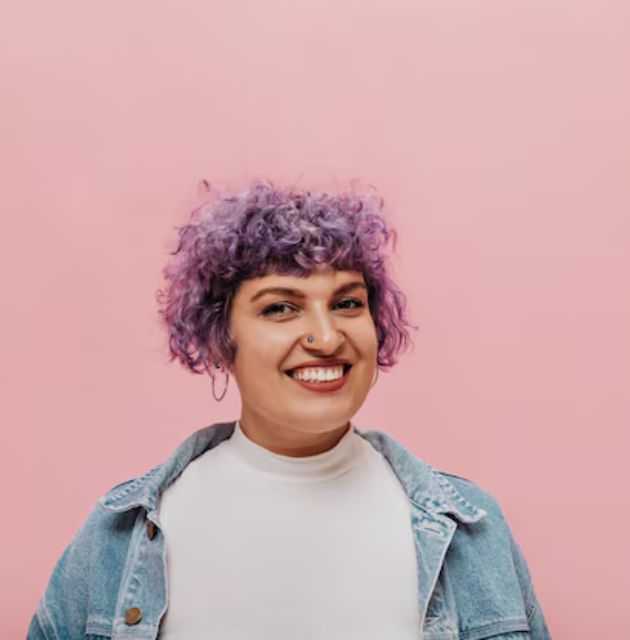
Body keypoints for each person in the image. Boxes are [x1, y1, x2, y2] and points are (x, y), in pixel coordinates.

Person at [27, 179, 551, 639]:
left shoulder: (470, 528)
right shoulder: (118, 537)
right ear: (217, 340)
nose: (326, 337)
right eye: (280, 307)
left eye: (347, 303)